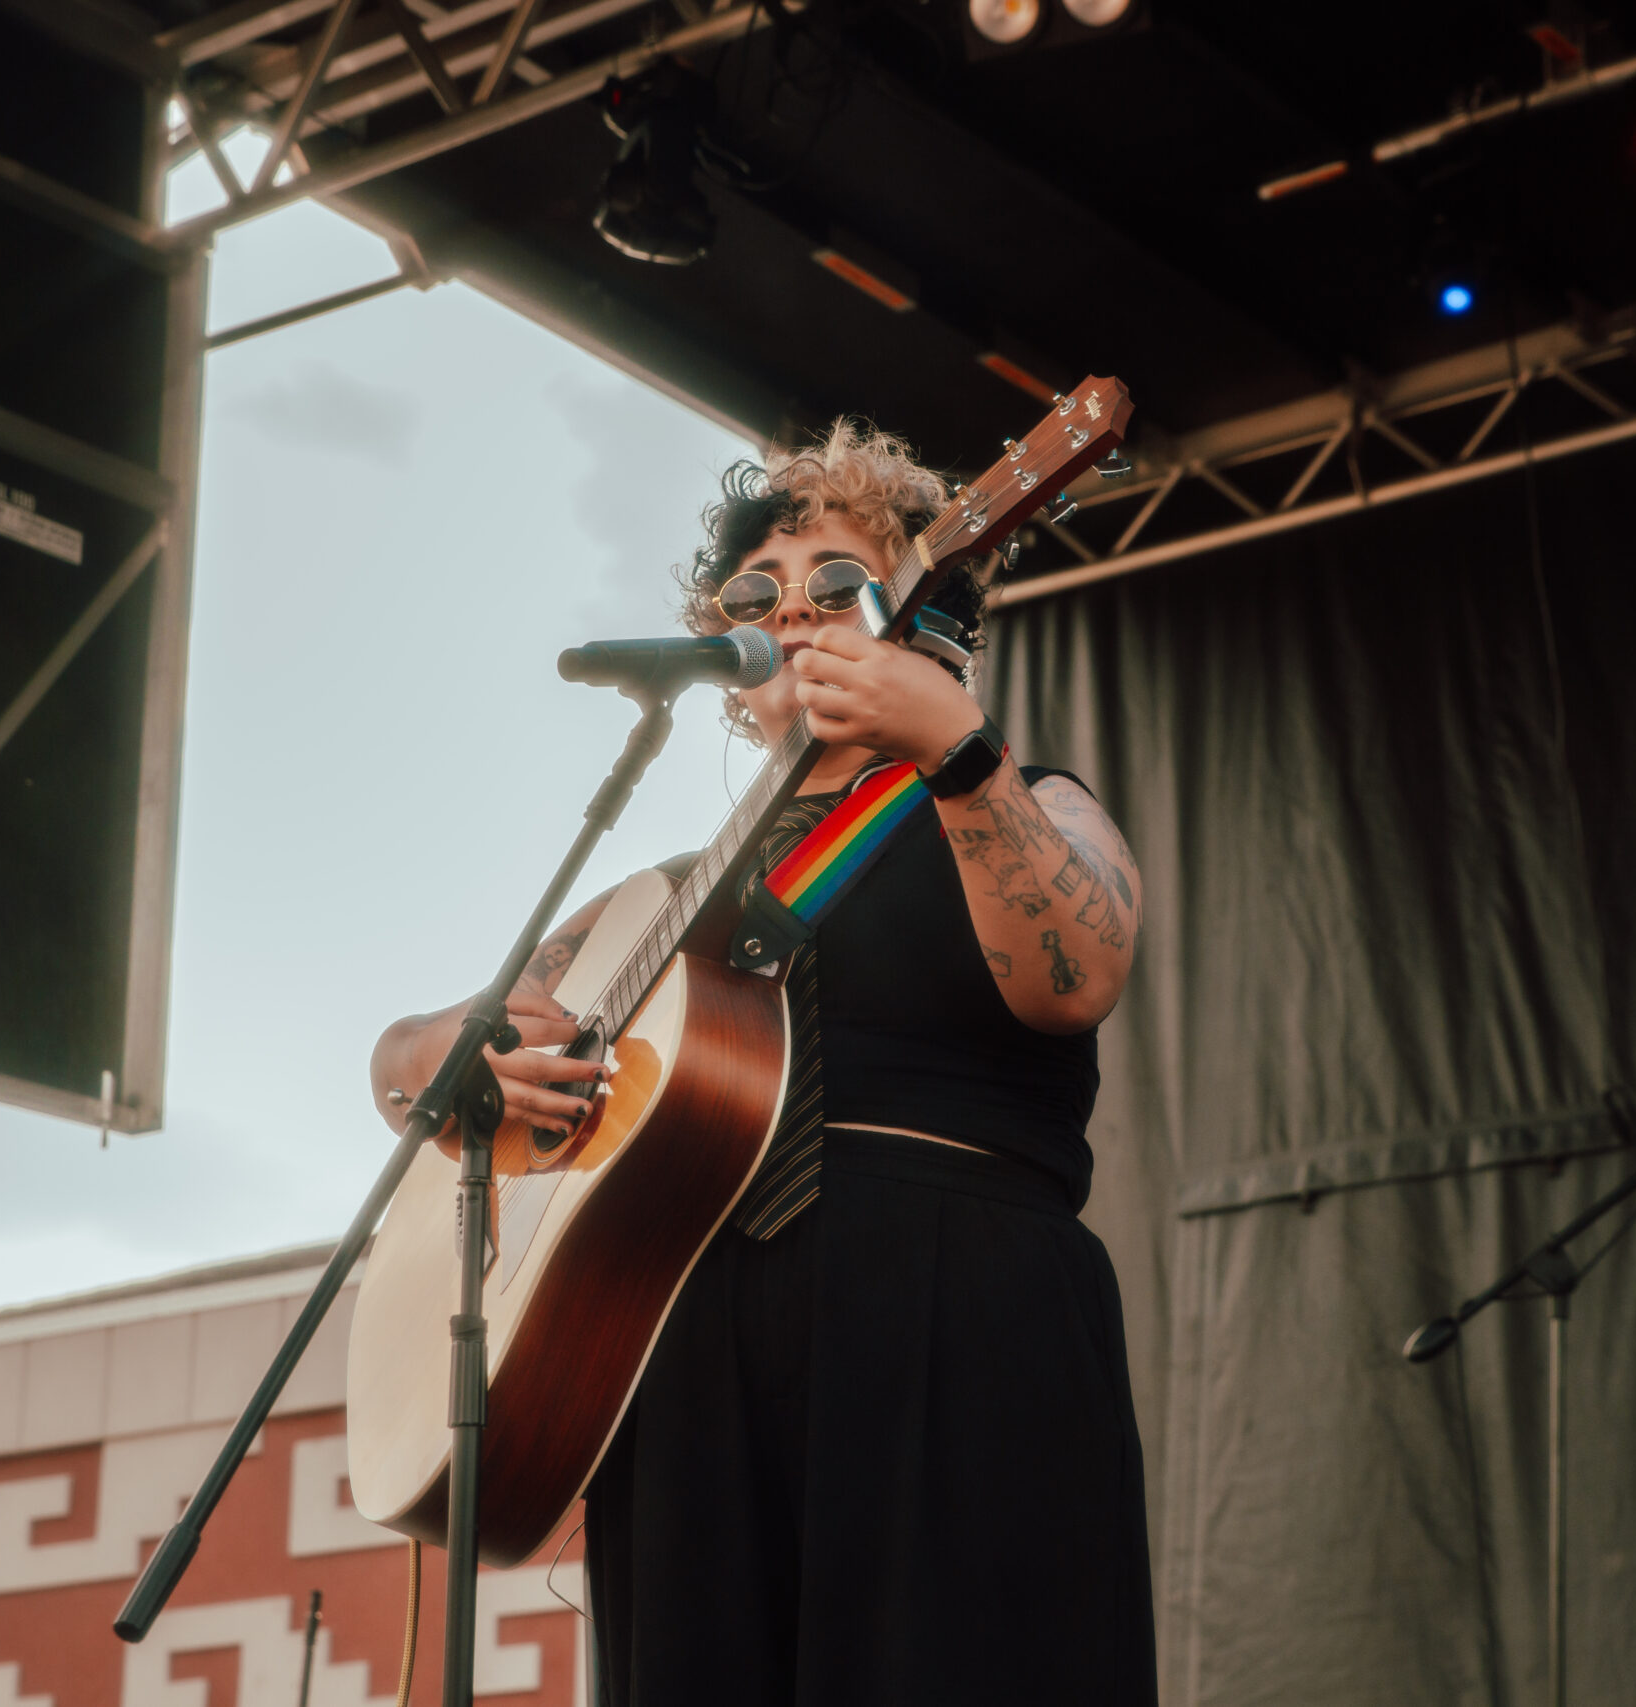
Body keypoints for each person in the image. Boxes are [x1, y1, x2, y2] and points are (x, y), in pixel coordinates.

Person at [370, 421, 1155, 1705]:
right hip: (678, 1330)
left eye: (837, 584)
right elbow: (426, 1043)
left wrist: (958, 750)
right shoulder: (653, 902)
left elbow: (1083, 970)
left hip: (949, 1306)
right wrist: (448, 1070)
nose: (792, 609)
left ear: (916, 611)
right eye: (756, 595)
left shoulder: (1018, 796)